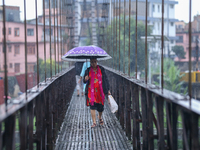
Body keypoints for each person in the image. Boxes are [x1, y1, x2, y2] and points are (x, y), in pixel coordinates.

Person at [83, 58, 111, 128]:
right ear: (90, 62)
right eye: (92, 62)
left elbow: (105, 79)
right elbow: (84, 81)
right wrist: (85, 79)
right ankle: (94, 122)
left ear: (97, 62)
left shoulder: (101, 69)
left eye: (95, 62)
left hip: (100, 91)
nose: (93, 64)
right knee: (92, 106)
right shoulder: (88, 70)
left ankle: (100, 116)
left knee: (100, 107)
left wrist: (108, 90)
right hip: (91, 91)